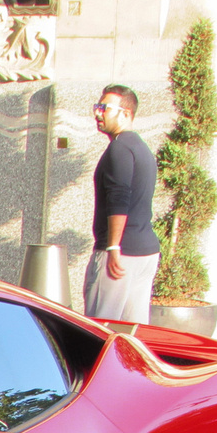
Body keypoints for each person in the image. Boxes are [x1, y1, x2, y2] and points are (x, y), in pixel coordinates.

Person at [83, 84, 160, 322]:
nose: (98, 113)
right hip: (145, 253)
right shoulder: (142, 149)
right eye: (97, 107)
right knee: (132, 334)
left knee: (101, 331)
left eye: (104, 108)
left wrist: (113, 247)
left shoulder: (120, 148)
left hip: (120, 255)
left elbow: (119, 199)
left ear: (126, 113)